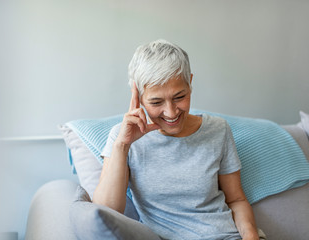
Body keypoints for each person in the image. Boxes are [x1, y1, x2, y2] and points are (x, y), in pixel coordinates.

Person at [93, 39, 260, 240]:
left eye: (179, 97)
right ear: (137, 95)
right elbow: (106, 213)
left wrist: (251, 237)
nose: (171, 112)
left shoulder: (218, 130)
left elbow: (236, 199)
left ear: (190, 82)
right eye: (156, 102)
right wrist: (122, 145)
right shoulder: (122, 138)